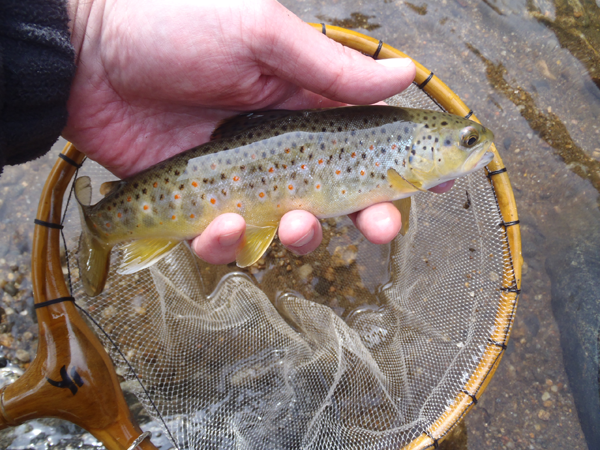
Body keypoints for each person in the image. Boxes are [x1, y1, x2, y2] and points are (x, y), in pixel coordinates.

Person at [1, 0, 453, 265]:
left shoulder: (400, 157)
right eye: (468, 143)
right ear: (418, 151)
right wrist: (87, 32)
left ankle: (108, 225)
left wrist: (88, 30)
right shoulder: (400, 165)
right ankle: (103, 227)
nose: (478, 147)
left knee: (277, 231)